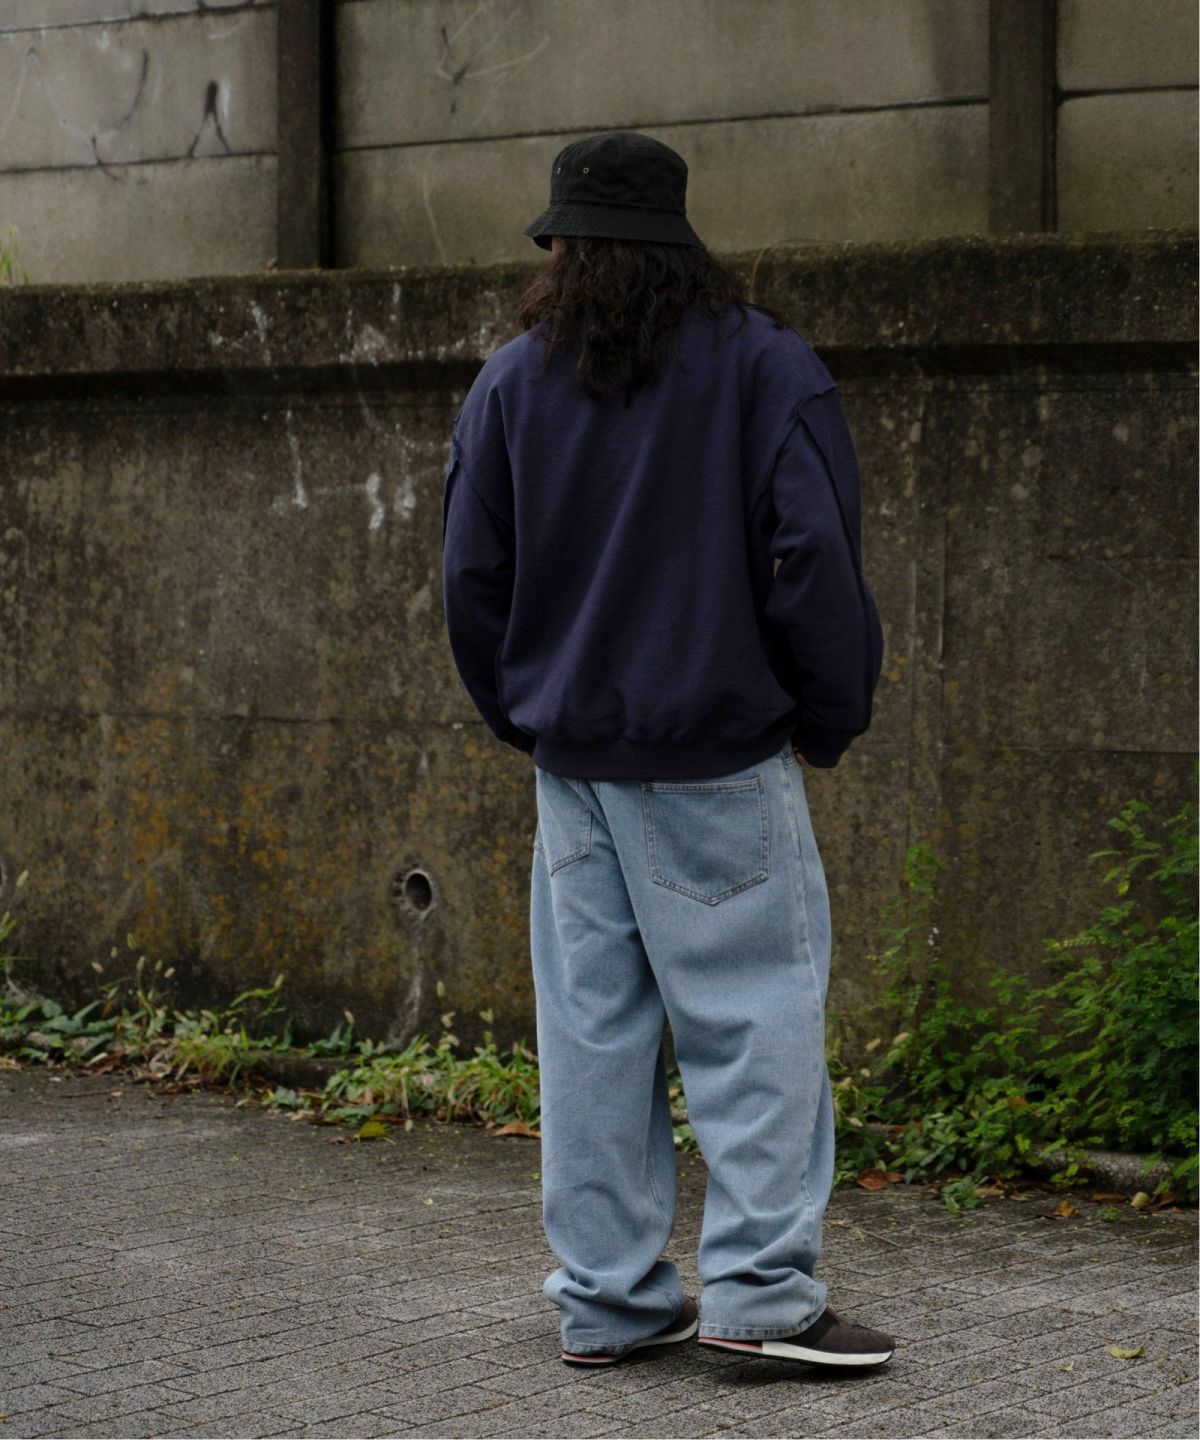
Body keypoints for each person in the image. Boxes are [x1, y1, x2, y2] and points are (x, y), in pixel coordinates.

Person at [441, 131, 894, 1371]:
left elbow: (471, 581)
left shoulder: (511, 384)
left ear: (559, 251)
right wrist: (829, 714)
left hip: (575, 772)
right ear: (685, 246)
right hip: (717, 761)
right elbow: (815, 561)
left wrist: (531, 718)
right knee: (754, 1024)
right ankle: (760, 1295)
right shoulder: (765, 368)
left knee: (593, 1039)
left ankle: (608, 1301)